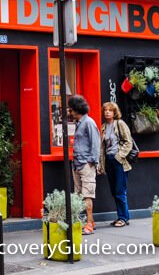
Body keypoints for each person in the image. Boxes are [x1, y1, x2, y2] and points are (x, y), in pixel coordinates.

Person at [67, 95, 100, 235]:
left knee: (87, 194)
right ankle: (89, 221)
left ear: (77, 109)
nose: (69, 112)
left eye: (71, 110)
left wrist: (91, 161)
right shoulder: (80, 123)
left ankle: (89, 224)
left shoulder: (89, 122)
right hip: (77, 163)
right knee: (80, 194)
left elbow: (96, 143)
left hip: (86, 164)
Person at [99, 102, 132, 227]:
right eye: (105, 110)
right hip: (109, 161)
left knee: (120, 190)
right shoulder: (103, 127)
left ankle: (124, 218)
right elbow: (102, 148)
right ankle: (121, 216)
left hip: (119, 161)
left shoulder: (120, 124)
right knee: (114, 191)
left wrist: (120, 155)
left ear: (114, 112)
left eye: (110, 110)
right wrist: (102, 164)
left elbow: (128, 142)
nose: (107, 112)